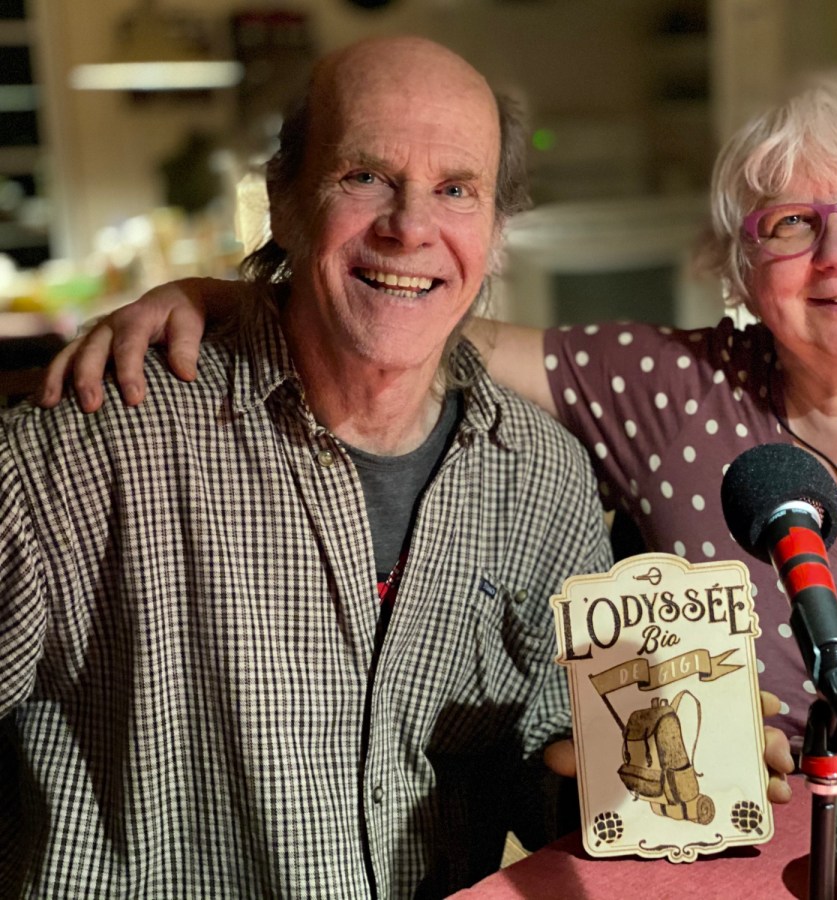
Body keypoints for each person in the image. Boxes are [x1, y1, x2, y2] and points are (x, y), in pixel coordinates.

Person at [40, 70, 837, 896]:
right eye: (788, 224)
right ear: (737, 261)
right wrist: (229, 294)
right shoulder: (671, 391)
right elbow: (411, 306)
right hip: (779, 874)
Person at [1, 35, 624, 899]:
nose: (410, 227)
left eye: (455, 190)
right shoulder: (89, 447)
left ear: (495, 230)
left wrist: (654, 771)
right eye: (364, 176)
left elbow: (549, 772)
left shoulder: (541, 477)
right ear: (284, 202)